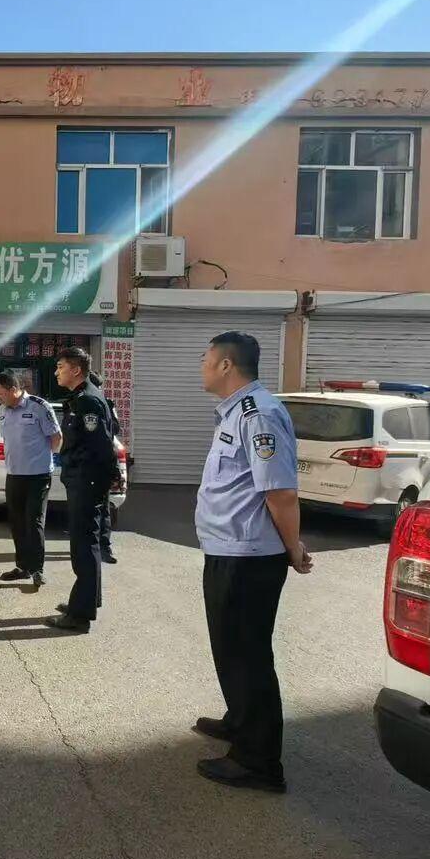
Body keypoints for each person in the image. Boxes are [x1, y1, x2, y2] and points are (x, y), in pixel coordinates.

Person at [193, 331, 312, 793]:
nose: (202, 366)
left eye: (206, 358)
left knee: (247, 654)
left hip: (247, 557)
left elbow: (280, 493)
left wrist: (293, 548)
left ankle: (258, 762)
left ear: (226, 365)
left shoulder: (258, 414)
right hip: (228, 551)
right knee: (231, 649)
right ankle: (240, 721)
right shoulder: (236, 412)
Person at [47, 347, 119, 632]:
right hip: (85, 478)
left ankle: (79, 615)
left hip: (86, 480)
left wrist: (102, 478)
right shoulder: (82, 397)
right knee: (87, 542)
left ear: (76, 370)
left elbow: (99, 444)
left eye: (61, 366)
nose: (57, 372)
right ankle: (87, 601)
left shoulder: (87, 400)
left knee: (83, 545)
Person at [0, 370, 61, 590]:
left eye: (0, 393)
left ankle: (37, 569)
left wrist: (45, 460)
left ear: (14, 390)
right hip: (14, 475)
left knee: (34, 521)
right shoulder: (3, 411)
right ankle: (22, 567)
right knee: (17, 523)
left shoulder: (39, 407)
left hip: (38, 476)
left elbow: (56, 438)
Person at [87, 371, 124, 565]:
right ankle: (93, 547)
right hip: (84, 465)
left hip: (102, 461)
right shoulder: (76, 403)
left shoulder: (106, 404)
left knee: (103, 509)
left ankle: (104, 547)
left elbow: (115, 429)